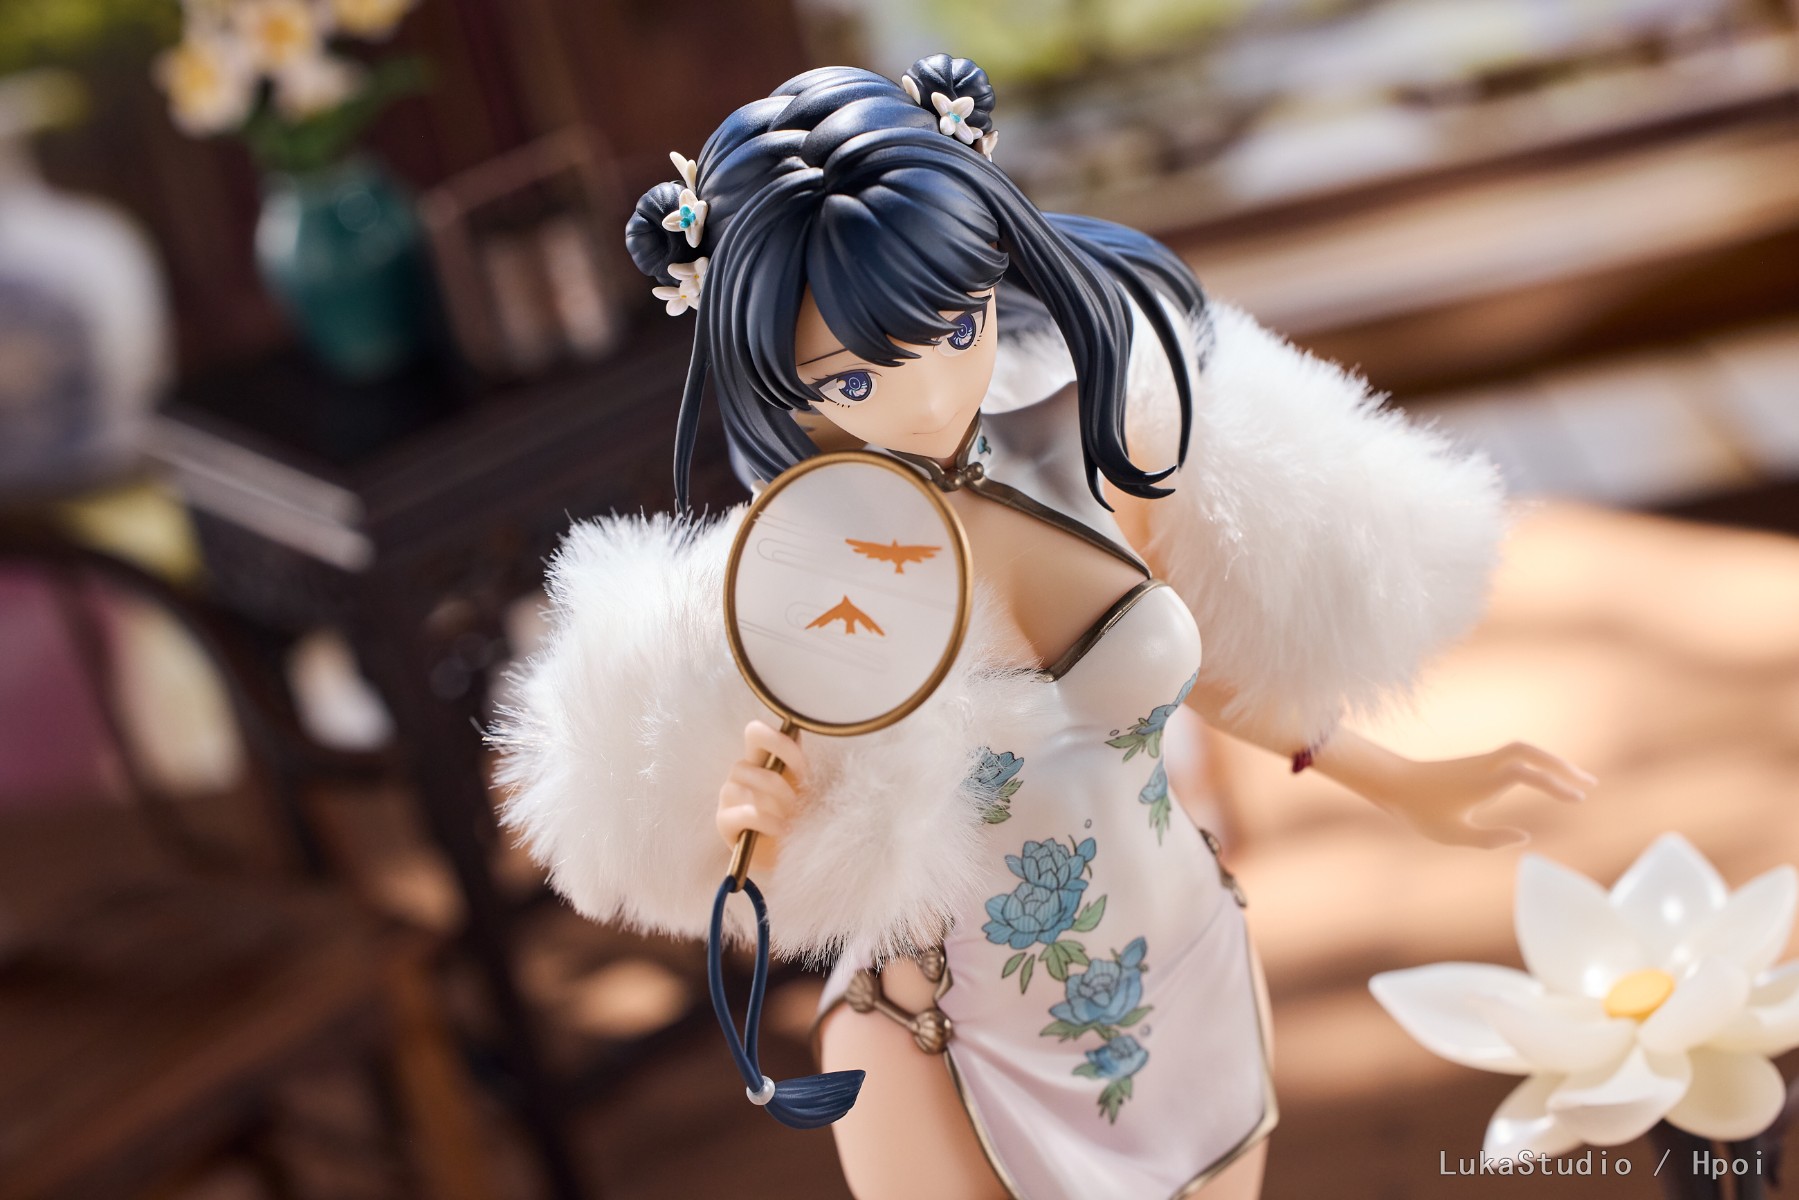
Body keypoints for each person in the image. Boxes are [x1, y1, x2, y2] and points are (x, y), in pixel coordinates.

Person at [495, 54, 1594, 1200]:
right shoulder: (795, 576)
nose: (928, 395)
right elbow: (782, 851)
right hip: (944, 1033)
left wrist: (1393, 777)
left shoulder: (1093, 441)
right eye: (853, 381)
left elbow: (1206, 672)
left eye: (954, 324)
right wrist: (751, 821)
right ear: (775, 381)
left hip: (1185, 960)